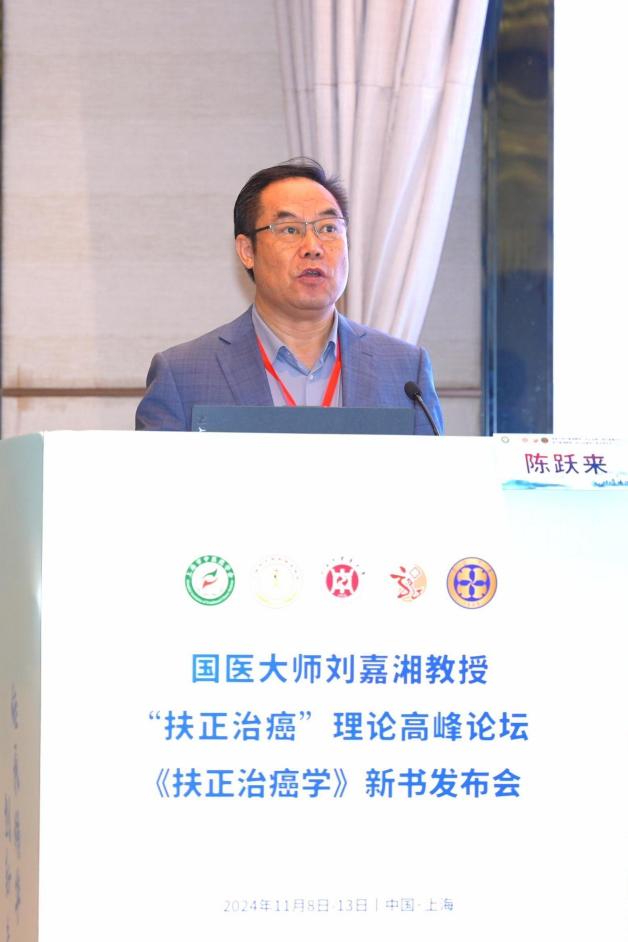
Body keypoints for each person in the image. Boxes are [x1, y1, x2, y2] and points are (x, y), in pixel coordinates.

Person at [135, 158, 443, 433]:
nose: (313, 247)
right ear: (247, 251)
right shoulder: (183, 375)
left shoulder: (405, 370)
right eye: (290, 230)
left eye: (329, 228)